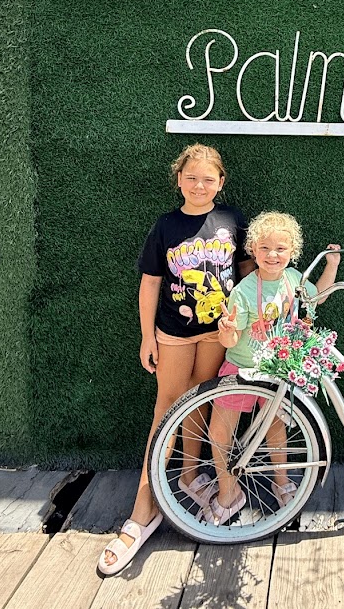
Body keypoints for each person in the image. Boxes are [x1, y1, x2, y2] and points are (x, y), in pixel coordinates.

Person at [98, 143, 253, 576]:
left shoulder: (232, 220)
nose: (199, 185)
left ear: (220, 183)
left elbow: (244, 276)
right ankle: (142, 510)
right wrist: (148, 337)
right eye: (191, 178)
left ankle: (188, 477)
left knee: (200, 404)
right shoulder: (166, 225)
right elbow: (150, 283)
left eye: (208, 179)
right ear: (179, 180)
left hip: (216, 333)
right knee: (166, 408)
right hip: (174, 333)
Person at [205, 211, 340, 524]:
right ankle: (228, 490)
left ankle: (282, 482)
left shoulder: (294, 279)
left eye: (280, 249)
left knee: (275, 427)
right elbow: (230, 338)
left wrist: (331, 265)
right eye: (264, 248)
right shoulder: (243, 291)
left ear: (292, 252)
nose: (272, 255)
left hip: (277, 371)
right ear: (253, 251)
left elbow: (316, 297)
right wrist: (225, 332)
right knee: (220, 431)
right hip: (241, 371)